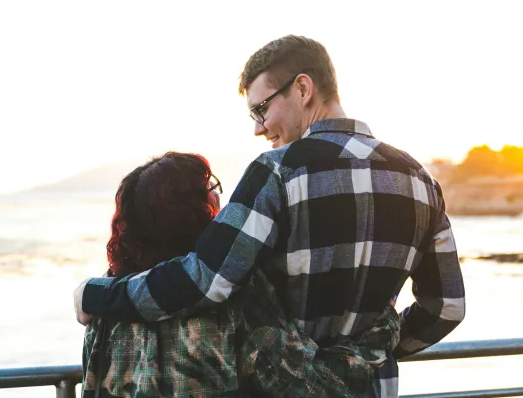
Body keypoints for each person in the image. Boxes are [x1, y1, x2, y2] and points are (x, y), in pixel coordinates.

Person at [75, 35, 466, 396]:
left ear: (302, 88)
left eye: (261, 109)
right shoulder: (421, 181)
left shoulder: (277, 172)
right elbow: (446, 308)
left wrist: (98, 294)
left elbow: (205, 280)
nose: (260, 129)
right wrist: (369, 354)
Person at [81, 151, 400, 397]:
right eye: (210, 189)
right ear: (197, 211)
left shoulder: (104, 300)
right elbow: (307, 386)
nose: (220, 198)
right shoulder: (239, 295)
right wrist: (373, 340)